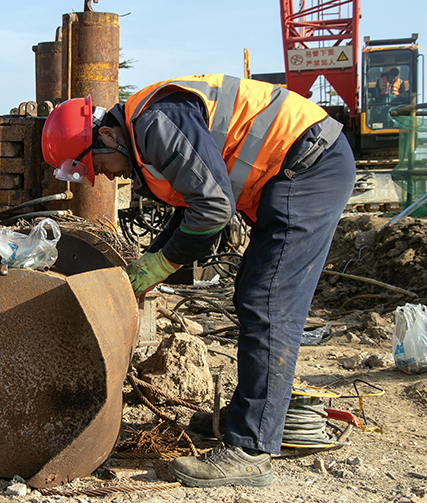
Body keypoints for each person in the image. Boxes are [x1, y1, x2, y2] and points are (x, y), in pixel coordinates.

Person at [41, 74, 356, 488]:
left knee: (267, 301)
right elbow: (193, 202)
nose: (109, 176)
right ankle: (252, 417)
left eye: (99, 165)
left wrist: (160, 265)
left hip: (310, 164)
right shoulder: (144, 130)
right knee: (254, 296)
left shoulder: (155, 126)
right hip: (293, 167)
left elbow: (212, 208)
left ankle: (251, 450)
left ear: (105, 135)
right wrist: (151, 261)